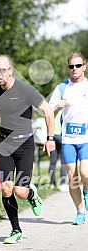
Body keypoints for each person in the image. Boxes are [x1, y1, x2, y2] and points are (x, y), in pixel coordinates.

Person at [0, 55, 55, 243]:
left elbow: (48, 110)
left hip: (24, 144)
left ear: (10, 71)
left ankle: (31, 193)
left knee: (20, 192)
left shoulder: (25, 90)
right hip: (5, 144)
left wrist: (50, 137)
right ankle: (15, 230)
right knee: (6, 189)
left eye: (1, 70)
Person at [49, 52, 88, 225]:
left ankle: (86, 189)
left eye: (78, 65)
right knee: (72, 176)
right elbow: (49, 113)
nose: (74, 69)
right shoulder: (61, 88)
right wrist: (58, 106)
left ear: (84, 67)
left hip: (86, 138)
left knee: (85, 174)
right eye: (71, 66)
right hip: (68, 139)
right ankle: (80, 212)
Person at [48, 111, 67, 190]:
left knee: (53, 161)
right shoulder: (65, 110)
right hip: (61, 135)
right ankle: (62, 183)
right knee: (63, 161)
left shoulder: (52, 109)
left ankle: (52, 183)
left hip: (52, 136)